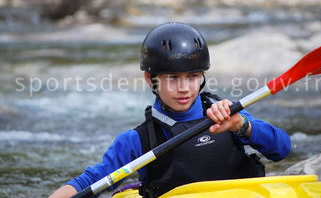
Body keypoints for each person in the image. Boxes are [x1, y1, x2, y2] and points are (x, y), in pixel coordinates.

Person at [49, 22, 291, 198]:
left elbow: (282, 149)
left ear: (202, 76)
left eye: (193, 76)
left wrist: (243, 126)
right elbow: (90, 182)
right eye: (172, 78)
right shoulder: (138, 140)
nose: (184, 88)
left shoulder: (228, 115)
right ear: (150, 79)